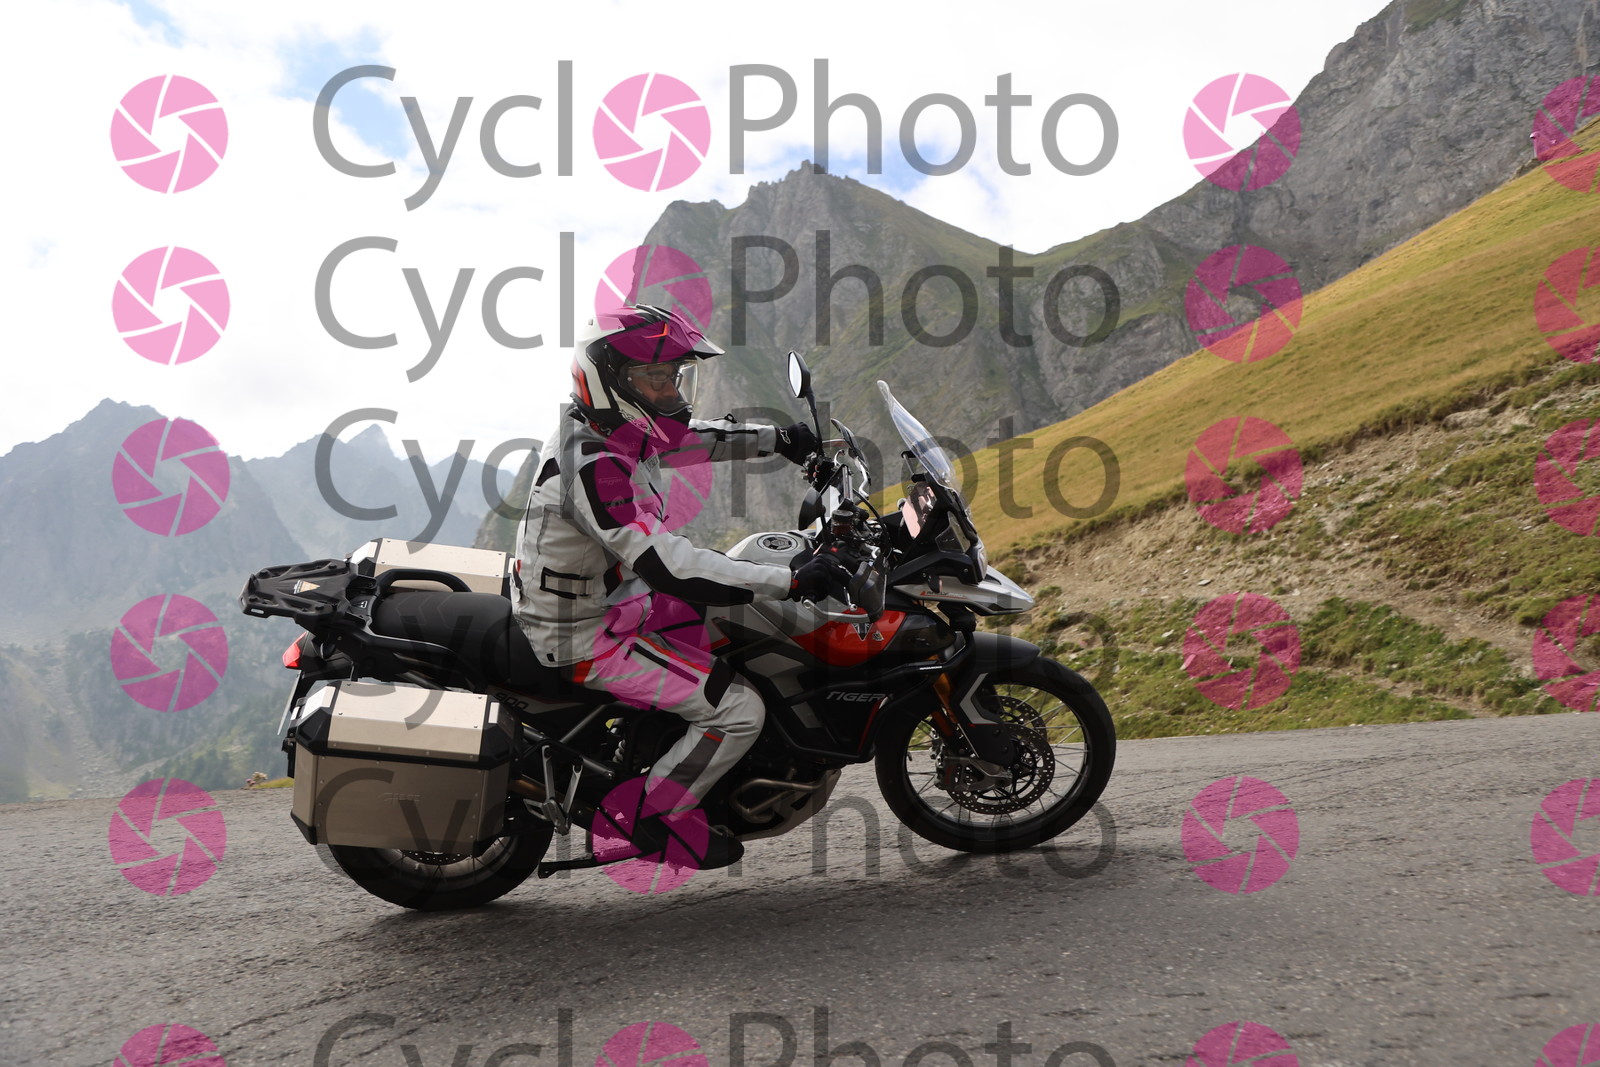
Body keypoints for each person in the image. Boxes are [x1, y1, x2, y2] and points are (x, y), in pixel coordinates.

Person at [512, 304, 852, 869]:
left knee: (741, 632)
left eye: (674, 376)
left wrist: (780, 439)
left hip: (617, 602)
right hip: (585, 635)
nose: (672, 391)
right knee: (738, 709)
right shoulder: (594, 465)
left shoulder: (616, 429)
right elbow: (670, 567)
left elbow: (696, 441)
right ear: (610, 380)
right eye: (656, 378)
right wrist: (790, 581)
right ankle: (651, 816)